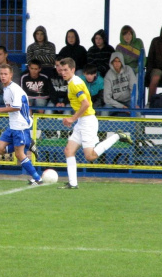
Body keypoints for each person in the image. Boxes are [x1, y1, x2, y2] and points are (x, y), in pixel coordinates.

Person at [55, 58, 133, 189]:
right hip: (82, 121)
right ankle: (73, 184)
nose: (63, 72)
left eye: (66, 70)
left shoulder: (75, 83)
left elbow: (85, 104)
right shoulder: (73, 82)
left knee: (90, 156)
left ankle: (117, 136)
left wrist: (72, 119)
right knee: (69, 151)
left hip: (87, 122)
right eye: (61, 70)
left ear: (73, 70)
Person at [0, 63, 42, 185]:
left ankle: (37, 178)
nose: (3, 76)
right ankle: (28, 143)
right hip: (12, 125)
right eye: (1, 74)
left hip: (20, 125)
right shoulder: (6, 88)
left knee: (19, 154)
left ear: (11, 75)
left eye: (5, 74)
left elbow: (17, 107)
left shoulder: (14, 89)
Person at [102, 52, 137, 116]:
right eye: (115, 61)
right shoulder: (108, 76)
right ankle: (103, 126)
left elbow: (134, 87)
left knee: (137, 112)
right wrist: (122, 107)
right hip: (115, 102)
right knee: (105, 111)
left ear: (122, 62)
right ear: (111, 62)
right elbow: (107, 98)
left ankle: (138, 126)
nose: (117, 63)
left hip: (129, 101)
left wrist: (134, 103)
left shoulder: (128, 70)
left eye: (119, 61)